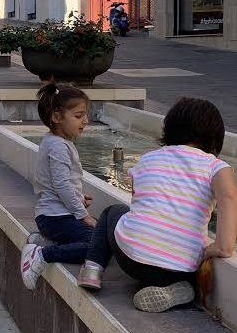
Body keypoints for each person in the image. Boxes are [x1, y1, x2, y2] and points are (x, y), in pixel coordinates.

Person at [76, 97, 237, 312]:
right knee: (186, 257)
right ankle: (182, 289)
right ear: (215, 136)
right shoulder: (216, 167)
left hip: (131, 259)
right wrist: (222, 246)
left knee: (112, 212)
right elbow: (229, 197)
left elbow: (139, 205)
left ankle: (92, 270)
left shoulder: (148, 159)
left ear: (169, 129)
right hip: (181, 267)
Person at [20, 83, 95, 290]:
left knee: (97, 238)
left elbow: (58, 185)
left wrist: (78, 198)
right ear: (56, 117)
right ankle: (42, 254)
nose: (85, 121)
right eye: (79, 116)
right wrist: (83, 214)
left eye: (85, 115)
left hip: (53, 217)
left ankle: (46, 242)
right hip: (55, 218)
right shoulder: (59, 147)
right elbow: (61, 185)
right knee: (95, 245)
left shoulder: (54, 141)